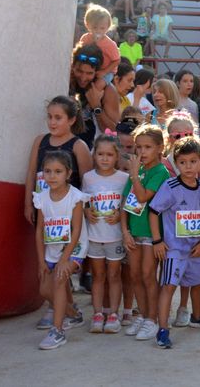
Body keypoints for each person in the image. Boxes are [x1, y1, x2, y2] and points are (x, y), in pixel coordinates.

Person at [147, 137, 200, 348]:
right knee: (169, 286)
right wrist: (157, 241)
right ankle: (163, 328)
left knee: (198, 283)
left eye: (193, 161)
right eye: (183, 162)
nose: (188, 167)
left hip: (194, 248)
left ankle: (197, 317)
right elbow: (153, 212)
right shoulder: (170, 186)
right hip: (174, 249)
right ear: (176, 164)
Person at [34, 152, 90, 350]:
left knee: (59, 280)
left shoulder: (75, 197)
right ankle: (73, 314)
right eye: (48, 171)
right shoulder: (41, 198)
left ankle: (57, 331)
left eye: (58, 171)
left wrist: (65, 259)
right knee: (44, 290)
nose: (52, 176)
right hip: (53, 248)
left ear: (68, 173)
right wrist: (41, 261)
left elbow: (77, 230)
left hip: (75, 248)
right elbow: (39, 230)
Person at [120, 124, 170, 341]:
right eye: (138, 147)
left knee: (149, 275)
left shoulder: (161, 172)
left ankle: (152, 318)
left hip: (152, 234)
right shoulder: (137, 171)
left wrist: (134, 175)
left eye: (148, 147)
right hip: (134, 232)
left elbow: (142, 197)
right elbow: (125, 203)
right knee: (135, 275)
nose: (142, 152)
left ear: (160, 148)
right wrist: (125, 231)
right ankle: (142, 314)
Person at [83, 134, 129, 335]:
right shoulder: (88, 178)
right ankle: (97, 314)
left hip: (115, 236)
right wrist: (86, 211)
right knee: (98, 276)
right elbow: (84, 201)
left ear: (117, 156)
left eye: (109, 155)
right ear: (94, 155)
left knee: (114, 275)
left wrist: (119, 214)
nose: (104, 158)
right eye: (100, 154)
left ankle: (113, 314)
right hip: (94, 236)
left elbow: (127, 204)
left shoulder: (123, 178)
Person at [24, 96, 93, 225]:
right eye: (49, 117)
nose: (52, 122)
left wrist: (85, 209)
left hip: (68, 212)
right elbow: (31, 173)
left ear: (71, 120)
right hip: (43, 209)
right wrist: (28, 204)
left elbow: (87, 182)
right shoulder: (40, 141)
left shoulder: (79, 146)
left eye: (58, 118)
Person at [79, 4, 121, 88]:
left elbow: (116, 60)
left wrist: (104, 72)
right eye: (95, 27)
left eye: (102, 28)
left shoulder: (110, 44)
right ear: (87, 25)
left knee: (98, 85)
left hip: (107, 70)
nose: (98, 31)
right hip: (91, 68)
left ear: (108, 27)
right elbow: (80, 52)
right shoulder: (85, 38)